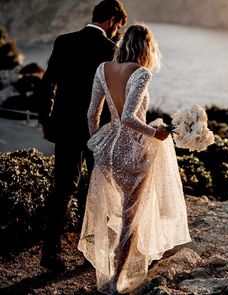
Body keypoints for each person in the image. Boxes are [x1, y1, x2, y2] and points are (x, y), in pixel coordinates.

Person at [78, 24, 191, 294]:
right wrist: (156, 133)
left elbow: (92, 114)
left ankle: (114, 266)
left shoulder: (103, 68)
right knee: (130, 216)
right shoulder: (141, 73)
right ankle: (117, 278)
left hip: (108, 150)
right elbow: (130, 117)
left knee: (117, 210)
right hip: (133, 151)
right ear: (146, 46)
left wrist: (97, 142)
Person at [38, 0, 128, 271]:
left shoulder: (63, 41)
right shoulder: (111, 50)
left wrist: (45, 118)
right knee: (97, 191)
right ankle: (91, 254)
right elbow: (116, 98)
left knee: (62, 189)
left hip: (64, 127)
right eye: (117, 26)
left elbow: (48, 82)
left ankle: (49, 254)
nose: (116, 31)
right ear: (112, 21)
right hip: (97, 131)